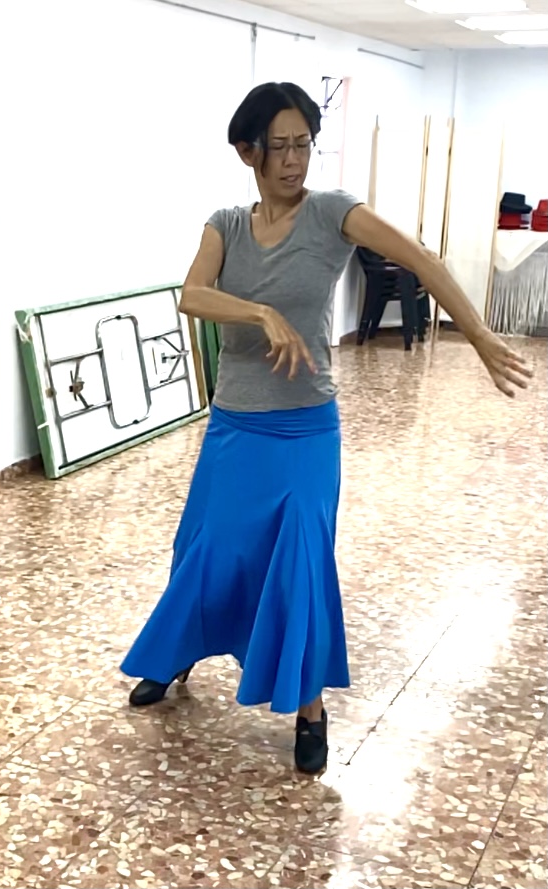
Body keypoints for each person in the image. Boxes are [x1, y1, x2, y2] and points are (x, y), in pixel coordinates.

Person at [121, 82, 531, 774]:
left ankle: (309, 708)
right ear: (247, 152)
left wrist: (480, 335)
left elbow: (423, 260)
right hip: (236, 429)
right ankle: (179, 650)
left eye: (303, 144)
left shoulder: (333, 213)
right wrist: (261, 314)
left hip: (305, 432)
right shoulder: (225, 224)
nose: (293, 160)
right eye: (278, 146)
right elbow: (192, 295)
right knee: (208, 550)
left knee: (301, 565)